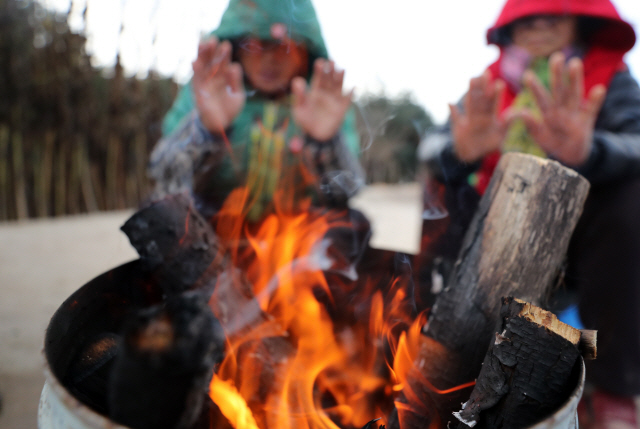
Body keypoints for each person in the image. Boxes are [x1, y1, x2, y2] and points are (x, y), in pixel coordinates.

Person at [417, 0, 640, 427]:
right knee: (438, 191)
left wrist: (590, 151)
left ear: (579, 19)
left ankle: (613, 386)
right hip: (490, 232)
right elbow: (430, 148)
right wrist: (459, 152)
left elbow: (636, 143)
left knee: (631, 195)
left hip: (581, 252)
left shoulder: (609, 77)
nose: (539, 26)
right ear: (509, 29)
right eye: (527, 18)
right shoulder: (491, 83)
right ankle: (435, 348)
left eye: (552, 15)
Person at [148, 0, 364, 222]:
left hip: (300, 242)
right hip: (213, 240)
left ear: (305, 52)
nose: (270, 59)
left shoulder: (323, 101)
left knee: (353, 223)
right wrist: (208, 130)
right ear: (235, 48)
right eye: (256, 44)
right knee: (162, 215)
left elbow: (346, 192)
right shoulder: (207, 91)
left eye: (284, 46)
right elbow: (165, 179)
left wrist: (323, 143)